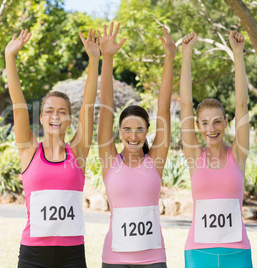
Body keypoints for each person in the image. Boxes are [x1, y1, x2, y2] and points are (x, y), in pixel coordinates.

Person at [5, 28, 100, 267]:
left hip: (72, 254)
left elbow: (87, 106)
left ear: (69, 119)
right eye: (49, 110)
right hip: (33, 254)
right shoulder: (29, 152)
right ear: (40, 117)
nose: (55, 116)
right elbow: (18, 105)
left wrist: (94, 59)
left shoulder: (77, 152)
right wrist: (10, 57)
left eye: (62, 111)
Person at [97, 22, 176, 268]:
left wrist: (170, 58)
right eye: (127, 129)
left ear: (147, 131)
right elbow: (106, 108)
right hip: (114, 259)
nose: (133, 135)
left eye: (139, 128)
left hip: (152, 259)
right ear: (119, 131)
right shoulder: (110, 160)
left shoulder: (155, 161)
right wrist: (107, 57)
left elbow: (163, 109)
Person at [180, 30, 253, 268]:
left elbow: (242, 104)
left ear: (226, 122)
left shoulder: (238, 154)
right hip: (199, 254)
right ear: (198, 126)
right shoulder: (194, 155)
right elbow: (184, 103)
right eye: (204, 123)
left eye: (217, 121)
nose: (211, 128)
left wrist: (238, 54)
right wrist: (187, 53)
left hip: (237, 254)